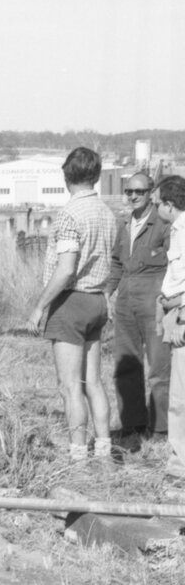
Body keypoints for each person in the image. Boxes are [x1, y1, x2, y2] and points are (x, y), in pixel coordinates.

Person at [26, 147, 117, 463]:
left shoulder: (68, 215)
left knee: (69, 386)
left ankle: (78, 455)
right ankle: (104, 449)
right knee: (92, 381)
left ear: (66, 177)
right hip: (97, 301)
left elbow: (66, 268)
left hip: (72, 302)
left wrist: (40, 307)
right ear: (96, 175)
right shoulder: (106, 213)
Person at [105, 172, 172, 443]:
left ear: (151, 192)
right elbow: (117, 263)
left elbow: (174, 260)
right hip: (125, 300)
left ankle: (160, 429)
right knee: (127, 363)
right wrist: (107, 293)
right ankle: (132, 424)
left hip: (154, 299)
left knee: (159, 367)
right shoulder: (124, 223)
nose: (133, 196)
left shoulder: (164, 223)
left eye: (139, 192)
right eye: (129, 191)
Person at [154, 175, 185, 483]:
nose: (154, 206)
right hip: (174, 309)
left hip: (183, 315)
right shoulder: (177, 230)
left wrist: (182, 318)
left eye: (157, 201)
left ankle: (181, 462)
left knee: (180, 395)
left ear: (169, 204)